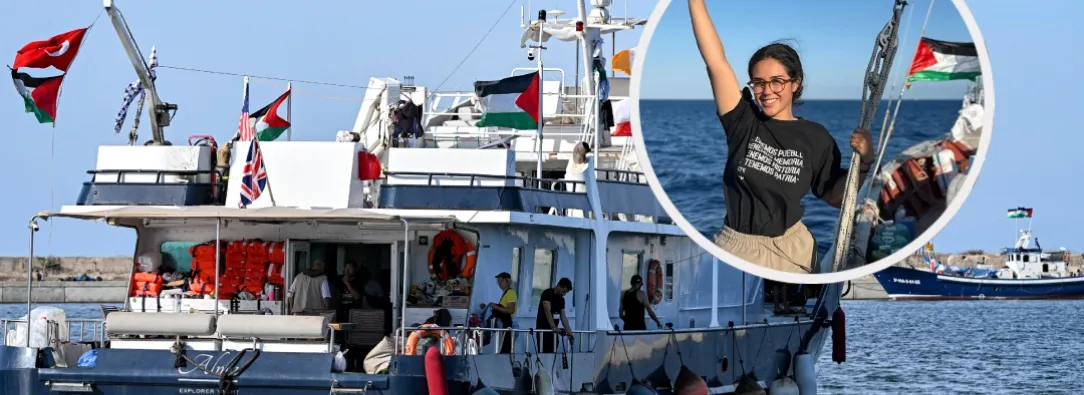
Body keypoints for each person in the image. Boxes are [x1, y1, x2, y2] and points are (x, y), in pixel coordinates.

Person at [688, 0, 874, 275]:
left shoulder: (816, 137)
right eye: (759, 83)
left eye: (777, 81)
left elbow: (835, 197)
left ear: (795, 83)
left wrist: (866, 161)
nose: (767, 91)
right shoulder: (743, 122)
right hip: (736, 246)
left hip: (791, 252)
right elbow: (716, 62)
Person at [535, 278, 574, 353]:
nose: (564, 294)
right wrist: (553, 327)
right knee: (544, 351)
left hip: (554, 331)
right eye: (563, 291)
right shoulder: (547, 293)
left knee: (553, 351)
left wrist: (570, 333)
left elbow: (563, 317)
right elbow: (547, 311)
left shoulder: (561, 299)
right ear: (559, 286)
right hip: (543, 328)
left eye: (566, 292)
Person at [488, 272, 518, 353]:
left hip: (510, 324)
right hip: (505, 324)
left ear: (507, 281)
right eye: (498, 281)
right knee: (503, 349)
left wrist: (495, 307)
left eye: (500, 280)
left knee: (506, 350)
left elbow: (510, 310)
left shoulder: (511, 293)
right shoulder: (505, 293)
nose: (499, 283)